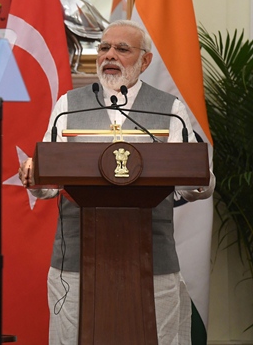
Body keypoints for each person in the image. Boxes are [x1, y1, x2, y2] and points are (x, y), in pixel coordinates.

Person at [19, 20, 215, 345]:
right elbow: (47, 185)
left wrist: (199, 177)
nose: (110, 55)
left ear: (145, 60)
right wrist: (34, 176)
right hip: (77, 263)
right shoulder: (68, 106)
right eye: (104, 48)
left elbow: (196, 185)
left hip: (152, 262)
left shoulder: (171, 111)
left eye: (122, 49)